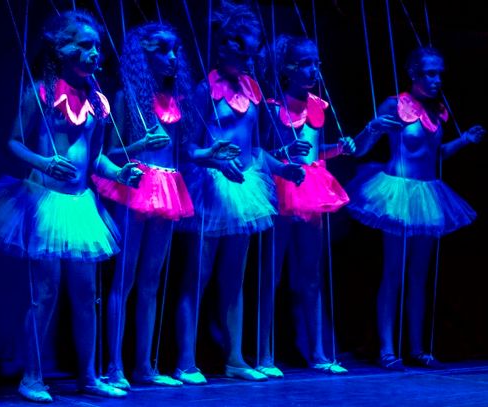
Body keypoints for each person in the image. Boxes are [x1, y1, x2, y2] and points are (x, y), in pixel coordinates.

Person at [0, 10, 142, 402]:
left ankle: (88, 375)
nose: (94, 53)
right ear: (61, 50)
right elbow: (13, 142)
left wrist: (119, 173)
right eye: (85, 45)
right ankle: (32, 376)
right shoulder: (42, 93)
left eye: (97, 46)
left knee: (86, 294)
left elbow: (95, 159)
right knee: (45, 292)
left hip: (79, 206)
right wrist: (45, 163)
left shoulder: (98, 102)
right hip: (44, 202)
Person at [173, 0, 305, 385]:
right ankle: (185, 361)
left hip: (245, 187)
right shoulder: (205, 90)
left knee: (235, 277)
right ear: (223, 47)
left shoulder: (253, 90)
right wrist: (213, 161)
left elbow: (257, 148)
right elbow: (187, 148)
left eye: (252, 52)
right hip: (212, 188)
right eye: (241, 51)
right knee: (197, 275)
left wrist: (284, 166)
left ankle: (235, 357)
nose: (248, 60)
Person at [91, 22, 226, 389]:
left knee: (151, 281)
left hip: (168, 187)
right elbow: (109, 152)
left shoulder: (176, 100)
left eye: (175, 51)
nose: (172, 58)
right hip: (135, 184)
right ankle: (114, 365)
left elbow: (184, 151)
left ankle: (144, 366)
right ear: (143, 54)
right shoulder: (127, 97)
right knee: (124, 278)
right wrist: (140, 145)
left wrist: (210, 154)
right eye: (162, 50)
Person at [347, 46, 485, 370]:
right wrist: (371, 128)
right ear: (413, 73)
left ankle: (419, 348)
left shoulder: (438, 110)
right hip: (398, 193)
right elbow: (361, 150)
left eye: (439, 74)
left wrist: (464, 140)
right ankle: (386, 349)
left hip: (428, 194)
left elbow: (436, 154)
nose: (437, 80)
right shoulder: (394, 104)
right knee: (393, 271)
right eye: (429, 74)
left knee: (419, 275)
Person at [258, 34, 355, 377]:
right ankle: (264, 354)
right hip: (283, 187)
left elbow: (316, 150)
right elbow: (261, 153)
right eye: (304, 64)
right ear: (287, 68)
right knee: (272, 272)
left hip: (313, 189)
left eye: (316, 63)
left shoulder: (318, 106)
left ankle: (318, 352)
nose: (313, 70)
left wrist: (339, 148)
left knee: (311, 274)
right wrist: (284, 154)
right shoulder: (273, 107)